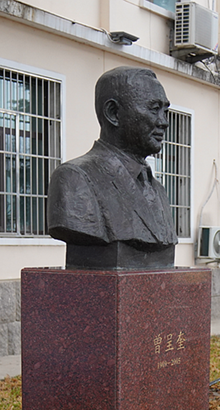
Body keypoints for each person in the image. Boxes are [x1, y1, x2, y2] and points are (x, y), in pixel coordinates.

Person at [47, 66, 178, 269]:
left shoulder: (157, 190)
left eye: (165, 111)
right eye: (154, 109)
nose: (164, 122)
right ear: (113, 113)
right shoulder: (74, 179)